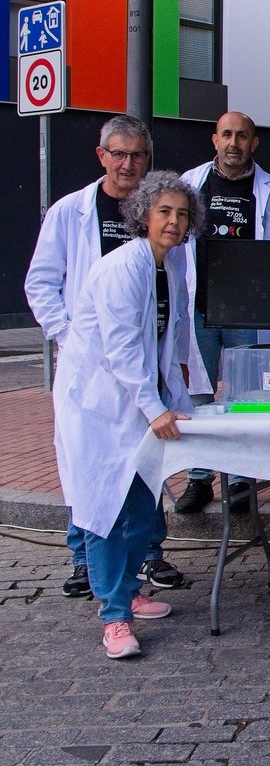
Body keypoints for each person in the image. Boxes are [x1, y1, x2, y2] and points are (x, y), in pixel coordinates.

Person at [24, 114, 186, 595]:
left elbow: (176, 293)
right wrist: (70, 335)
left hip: (144, 358)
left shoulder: (166, 215)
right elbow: (41, 282)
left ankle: (147, 557)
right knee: (94, 471)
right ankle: (89, 565)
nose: (128, 163)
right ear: (102, 156)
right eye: (119, 154)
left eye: (137, 155)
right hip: (97, 368)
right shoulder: (71, 211)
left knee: (142, 464)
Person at [51, 171, 198, 658]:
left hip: (135, 404)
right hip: (98, 406)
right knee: (106, 511)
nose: (173, 222)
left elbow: (166, 346)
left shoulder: (166, 267)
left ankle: (131, 592)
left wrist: (180, 405)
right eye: (164, 212)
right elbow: (122, 351)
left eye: (182, 214)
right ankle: (114, 616)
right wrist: (156, 409)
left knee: (139, 505)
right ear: (143, 215)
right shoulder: (123, 268)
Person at [177, 111, 270, 514]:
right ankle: (198, 479)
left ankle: (242, 481)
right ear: (215, 140)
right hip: (199, 308)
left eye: (242, 136)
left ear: (253, 143)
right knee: (198, 395)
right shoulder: (190, 184)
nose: (234, 143)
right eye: (226, 134)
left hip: (248, 313)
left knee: (247, 396)